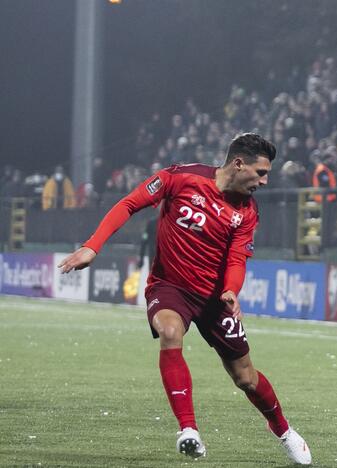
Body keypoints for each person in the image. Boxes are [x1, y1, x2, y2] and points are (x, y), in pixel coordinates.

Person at [57, 133, 312, 464]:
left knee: (245, 378)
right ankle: (188, 431)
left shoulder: (247, 211)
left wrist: (232, 289)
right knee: (170, 332)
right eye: (261, 173)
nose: (264, 182)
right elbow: (129, 203)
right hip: (170, 287)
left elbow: (237, 258)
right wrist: (93, 245)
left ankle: (283, 430)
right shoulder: (180, 177)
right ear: (238, 163)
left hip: (215, 298)